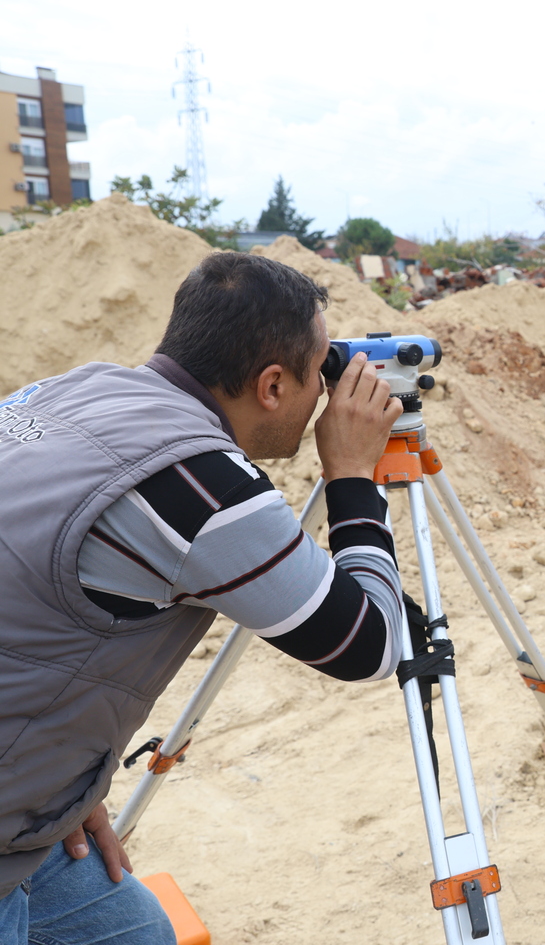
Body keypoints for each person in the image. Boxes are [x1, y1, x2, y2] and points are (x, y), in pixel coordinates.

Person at [0, 253, 409, 942]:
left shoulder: (57, 394)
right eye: (319, 374)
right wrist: (351, 474)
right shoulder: (201, 487)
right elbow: (371, 645)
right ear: (273, 385)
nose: (323, 398)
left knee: (132, 931)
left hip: (29, 809)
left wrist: (52, 783)